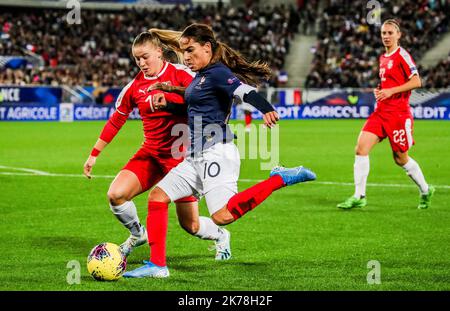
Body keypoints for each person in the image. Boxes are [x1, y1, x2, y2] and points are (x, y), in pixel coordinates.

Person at [123, 23, 316, 278]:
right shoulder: (201, 77)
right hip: (195, 156)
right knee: (158, 197)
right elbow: (193, 103)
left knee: (222, 216)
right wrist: (168, 94)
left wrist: (266, 107)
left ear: (207, 47)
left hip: (217, 152)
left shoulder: (217, 72)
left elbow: (244, 92)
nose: (186, 57)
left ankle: (278, 179)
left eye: (190, 50)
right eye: (183, 52)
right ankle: (158, 266)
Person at [83, 31, 233, 262]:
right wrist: (94, 154)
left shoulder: (182, 74)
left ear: (159, 52)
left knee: (191, 225)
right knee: (116, 194)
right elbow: (116, 120)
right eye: (136, 59)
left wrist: (169, 100)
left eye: (145, 57)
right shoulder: (134, 87)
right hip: (151, 155)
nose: (141, 63)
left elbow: (203, 101)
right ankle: (138, 234)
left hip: (181, 159)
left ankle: (221, 234)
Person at [337, 19, 435, 210]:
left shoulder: (402, 56)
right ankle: (359, 195)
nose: (386, 36)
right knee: (361, 149)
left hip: (398, 115)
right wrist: (381, 90)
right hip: (380, 112)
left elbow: (416, 82)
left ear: (398, 35)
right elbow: (389, 84)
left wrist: (391, 91)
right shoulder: (383, 58)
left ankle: (425, 190)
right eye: (383, 33)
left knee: (400, 158)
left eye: (390, 33)